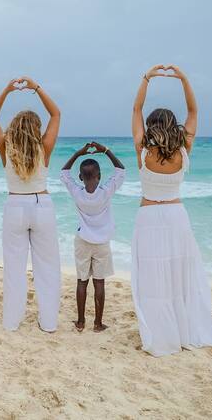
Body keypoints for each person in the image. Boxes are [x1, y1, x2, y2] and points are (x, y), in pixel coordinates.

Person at [131, 64, 212, 356]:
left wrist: (147, 77)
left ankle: (161, 333)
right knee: (178, 274)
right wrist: (183, 79)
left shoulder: (143, 150)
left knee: (153, 278)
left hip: (148, 216)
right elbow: (193, 111)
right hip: (176, 216)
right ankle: (182, 330)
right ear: (173, 126)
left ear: (151, 126)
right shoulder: (184, 150)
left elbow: (136, 108)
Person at [0, 76, 61, 332]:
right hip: (42, 205)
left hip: (15, 205)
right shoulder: (44, 147)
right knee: (47, 268)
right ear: (36, 129)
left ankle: (12, 322)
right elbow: (56, 113)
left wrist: (7, 90)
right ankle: (48, 323)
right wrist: (36, 87)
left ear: (15, 128)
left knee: (14, 268)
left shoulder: (6, 148)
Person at [61, 141, 125, 332]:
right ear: (99, 176)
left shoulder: (77, 192)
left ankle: (81, 322)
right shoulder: (106, 192)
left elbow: (64, 173)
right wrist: (105, 150)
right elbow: (120, 170)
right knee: (99, 282)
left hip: (82, 241)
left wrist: (78, 154)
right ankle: (97, 323)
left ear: (80, 177)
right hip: (102, 243)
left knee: (82, 281)